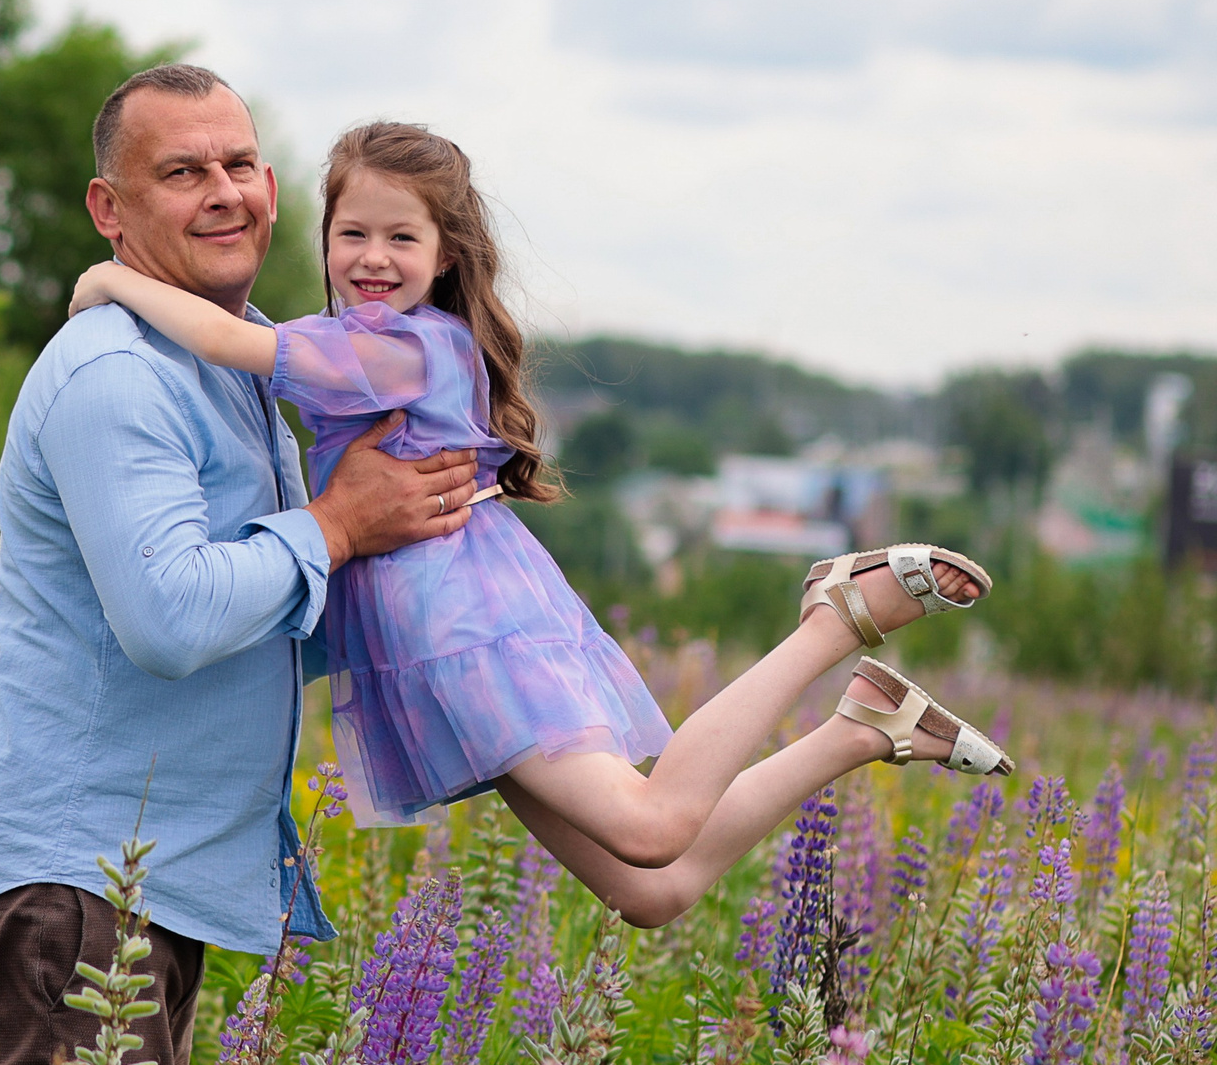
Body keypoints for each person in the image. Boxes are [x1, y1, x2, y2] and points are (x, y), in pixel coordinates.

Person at [68, 119, 1009, 932]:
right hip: (442, 630)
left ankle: (835, 617)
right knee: (656, 891)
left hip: (465, 631)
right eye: (351, 232)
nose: (372, 257)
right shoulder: (360, 340)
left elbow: (238, 342)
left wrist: (112, 284)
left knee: (650, 827)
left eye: (402, 237)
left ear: (445, 256)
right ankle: (859, 727)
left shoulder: (396, 345)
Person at [0, 65, 487, 1065]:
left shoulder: (242, 362)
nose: (223, 193)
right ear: (108, 212)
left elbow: (261, 621)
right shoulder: (119, 374)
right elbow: (174, 619)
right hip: (69, 891)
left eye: (237, 164)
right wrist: (335, 524)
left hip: (137, 889)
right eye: (182, 172)